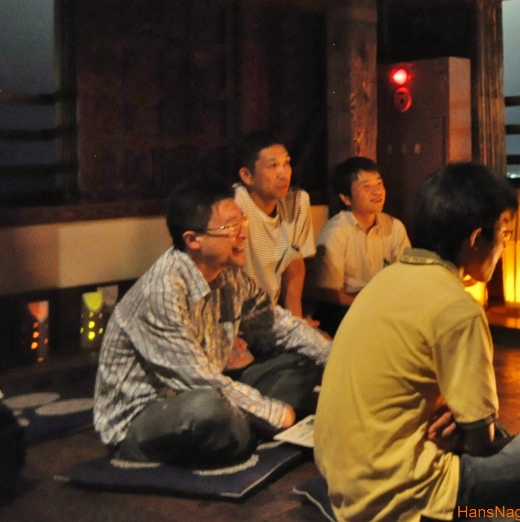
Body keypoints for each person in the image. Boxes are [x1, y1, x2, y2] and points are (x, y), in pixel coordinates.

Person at [314, 163, 520, 522]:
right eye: (504, 233)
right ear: (476, 238)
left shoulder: (383, 282)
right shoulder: (458, 308)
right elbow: (481, 443)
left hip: (341, 478)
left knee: (489, 428)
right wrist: (468, 430)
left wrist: (454, 418)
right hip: (404, 492)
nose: (504, 246)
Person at [93, 178, 330, 469]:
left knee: (306, 355)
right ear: (193, 240)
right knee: (209, 409)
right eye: (232, 226)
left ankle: (237, 431)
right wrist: (273, 412)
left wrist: (336, 359)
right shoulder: (163, 291)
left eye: (243, 222)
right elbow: (197, 379)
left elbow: (277, 323)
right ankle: (238, 431)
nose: (244, 233)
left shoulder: (229, 272)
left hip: (211, 387)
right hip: (148, 414)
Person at [313, 156, 410, 336]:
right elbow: (328, 292)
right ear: (346, 198)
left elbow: (405, 276)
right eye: (366, 187)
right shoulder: (335, 232)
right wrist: (369, 306)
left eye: (379, 184)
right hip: (345, 307)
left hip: (383, 304)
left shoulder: (394, 227)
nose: (377, 192)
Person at [233, 131, 316, 320]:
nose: (283, 174)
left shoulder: (298, 202)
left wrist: (296, 321)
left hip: (271, 314)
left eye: (286, 163)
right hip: (237, 316)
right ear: (246, 175)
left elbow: (294, 264)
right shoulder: (235, 205)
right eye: (273, 166)